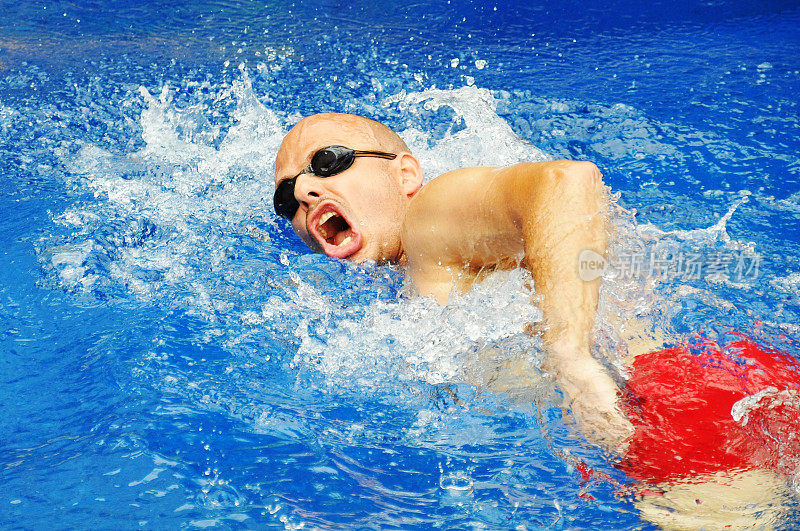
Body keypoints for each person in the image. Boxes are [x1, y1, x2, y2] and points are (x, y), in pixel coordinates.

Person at [273, 112, 799, 527]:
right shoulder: (428, 264)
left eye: (328, 161)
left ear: (405, 172)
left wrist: (570, 355)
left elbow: (565, 182)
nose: (304, 191)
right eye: (286, 196)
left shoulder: (429, 218)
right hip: (719, 376)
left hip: (665, 407)